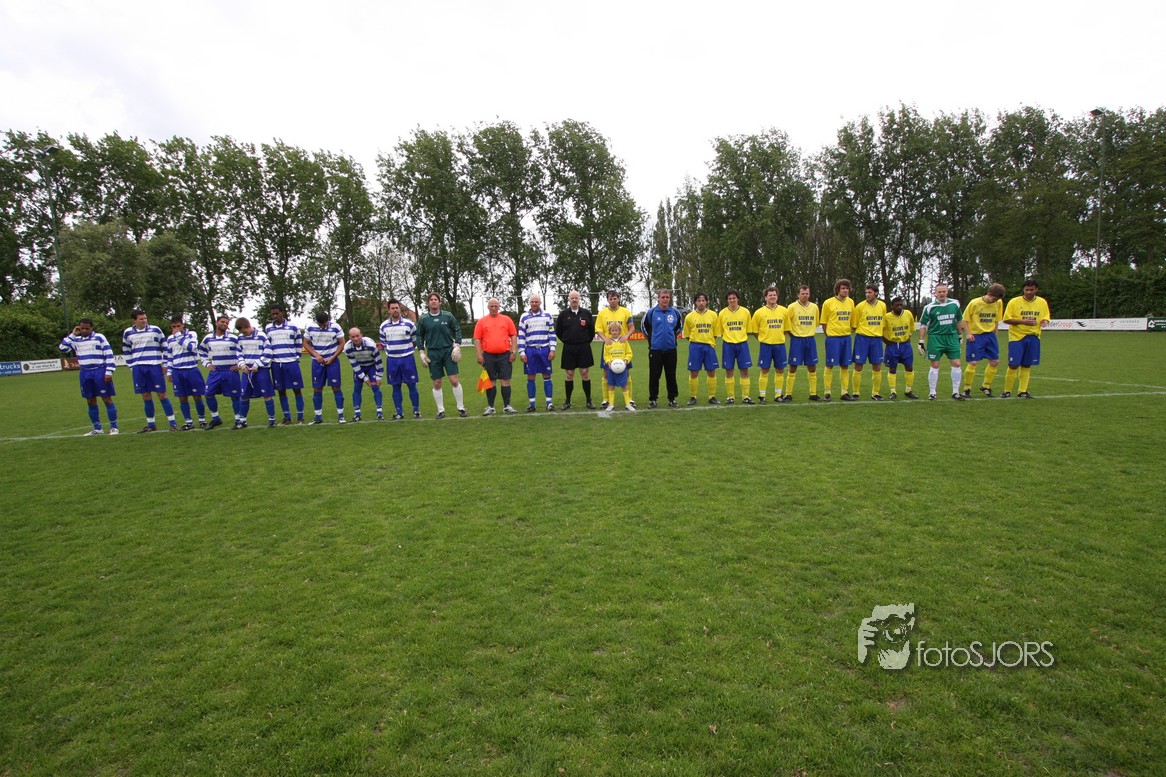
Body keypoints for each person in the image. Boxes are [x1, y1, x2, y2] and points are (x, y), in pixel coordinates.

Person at [58, 318, 120, 436]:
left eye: (87, 328)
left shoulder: (99, 337)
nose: (84, 330)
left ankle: (114, 427)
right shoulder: (76, 340)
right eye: (82, 328)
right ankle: (97, 429)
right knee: (90, 400)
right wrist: (72, 334)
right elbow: (62, 348)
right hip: (85, 373)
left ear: (91, 328)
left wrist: (109, 371)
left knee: (107, 399)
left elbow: (109, 354)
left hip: (99, 371)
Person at [122, 310, 177, 432]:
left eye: (145, 318)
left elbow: (165, 347)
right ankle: (151, 425)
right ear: (134, 320)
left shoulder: (155, 330)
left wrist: (164, 364)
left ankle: (173, 423)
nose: (144, 321)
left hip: (154, 366)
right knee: (145, 395)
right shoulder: (128, 332)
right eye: (141, 319)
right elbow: (126, 350)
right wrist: (132, 366)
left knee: (161, 394)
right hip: (138, 367)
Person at [416, 291, 467, 419]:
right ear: (428, 303)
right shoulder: (423, 319)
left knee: (454, 380)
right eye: (431, 299)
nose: (433, 301)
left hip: (448, 351)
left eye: (436, 299)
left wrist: (457, 345)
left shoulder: (448, 316)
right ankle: (440, 410)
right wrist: (421, 351)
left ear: (439, 302)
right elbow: (419, 335)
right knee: (437, 383)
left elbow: (457, 329)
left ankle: (461, 408)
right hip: (433, 353)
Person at [917, 283, 969, 401]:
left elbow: (959, 320)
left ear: (947, 292)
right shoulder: (929, 307)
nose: (941, 294)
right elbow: (923, 325)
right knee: (935, 365)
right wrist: (921, 341)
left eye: (944, 291)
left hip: (951, 337)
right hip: (935, 338)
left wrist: (960, 335)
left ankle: (956, 392)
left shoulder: (954, 304)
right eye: (939, 292)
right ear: (935, 293)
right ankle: (932, 392)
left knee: (957, 364)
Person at [1001, 279, 1051, 399]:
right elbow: (1006, 319)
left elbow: (1045, 317)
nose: (1028, 292)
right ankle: (1007, 390)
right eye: (1026, 290)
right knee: (1013, 364)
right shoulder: (1014, 302)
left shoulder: (1042, 302)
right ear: (1023, 289)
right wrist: (1023, 321)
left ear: (1036, 289)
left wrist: (1044, 321)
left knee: (1027, 364)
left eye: (1031, 290)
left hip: (1034, 336)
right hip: (1016, 337)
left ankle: (1022, 391)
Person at [474, 297, 519, 415]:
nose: (494, 308)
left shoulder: (506, 320)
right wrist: (479, 355)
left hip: (505, 355)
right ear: (488, 307)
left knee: (505, 380)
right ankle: (491, 407)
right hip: (488, 356)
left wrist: (513, 352)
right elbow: (477, 339)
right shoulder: (482, 321)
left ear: (499, 307)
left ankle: (507, 406)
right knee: (491, 381)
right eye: (491, 306)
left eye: (496, 306)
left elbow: (513, 335)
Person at [198, 314, 244, 428]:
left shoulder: (233, 338)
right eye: (222, 322)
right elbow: (201, 352)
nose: (224, 324)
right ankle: (216, 418)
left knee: (235, 396)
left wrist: (239, 364)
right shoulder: (208, 338)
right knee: (208, 394)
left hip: (230, 371)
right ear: (216, 323)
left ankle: (238, 420)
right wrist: (207, 364)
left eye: (227, 323)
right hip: (215, 371)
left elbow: (243, 351)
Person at [378, 300, 422, 420]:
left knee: (412, 385)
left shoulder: (409, 324)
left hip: (407, 359)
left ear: (400, 309)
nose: (395, 310)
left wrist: (406, 350)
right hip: (392, 360)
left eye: (397, 308)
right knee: (395, 386)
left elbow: (414, 340)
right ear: (389, 310)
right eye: (392, 308)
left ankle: (416, 410)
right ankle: (399, 412)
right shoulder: (383, 326)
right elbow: (383, 342)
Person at [961, 283, 1005, 397]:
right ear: (989, 294)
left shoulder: (998, 302)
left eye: (997, 299)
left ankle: (986, 386)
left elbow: (996, 319)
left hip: (990, 335)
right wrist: (968, 333)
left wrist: (995, 332)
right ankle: (967, 389)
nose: (995, 301)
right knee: (973, 362)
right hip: (976, 335)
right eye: (994, 299)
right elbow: (964, 319)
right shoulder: (975, 303)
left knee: (995, 361)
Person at [164, 315, 208, 429]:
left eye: (178, 326)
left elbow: (191, 348)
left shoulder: (191, 334)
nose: (176, 328)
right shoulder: (170, 338)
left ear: (183, 325)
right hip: (177, 371)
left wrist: (178, 336)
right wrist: (169, 372)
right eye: (174, 327)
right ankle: (188, 422)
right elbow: (169, 356)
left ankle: (202, 420)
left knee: (197, 396)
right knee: (182, 397)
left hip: (191, 369)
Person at [641, 288, 683, 407]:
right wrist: (652, 340)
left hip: (671, 349)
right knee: (654, 375)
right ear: (658, 298)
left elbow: (679, 327)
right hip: (655, 350)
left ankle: (672, 399)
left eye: (667, 297)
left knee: (671, 375)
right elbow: (644, 327)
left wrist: (672, 338)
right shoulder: (651, 312)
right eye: (662, 297)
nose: (665, 299)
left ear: (669, 299)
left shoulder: (675, 312)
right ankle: (653, 399)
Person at [555, 290, 596, 409]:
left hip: (584, 347)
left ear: (579, 299)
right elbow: (558, 331)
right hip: (569, 347)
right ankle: (567, 402)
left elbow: (592, 331)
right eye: (572, 298)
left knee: (585, 372)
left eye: (576, 298)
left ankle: (589, 401)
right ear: (568, 299)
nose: (574, 300)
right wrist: (567, 340)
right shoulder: (563, 314)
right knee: (569, 374)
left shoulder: (586, 313)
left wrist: (585, 341)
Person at [304, 310, 346, 424]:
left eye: (324, 324)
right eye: (320, 325)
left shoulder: (335, 327)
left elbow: (342, 343)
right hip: (317, 363)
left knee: (336, 387)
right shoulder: (311, 327)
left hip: (333, 362)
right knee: (317, 388)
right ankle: (318, 417)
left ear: (328, 320)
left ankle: (341, 416)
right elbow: (305, 343)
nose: (323, 327)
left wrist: (333, 357)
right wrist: (316, 355)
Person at [595, 290, 635, 409]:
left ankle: (630, 399)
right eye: (610, 299)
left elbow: (632, 327)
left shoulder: (625, 311)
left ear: (618, 299)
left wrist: (626, 336)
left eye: (615, 298)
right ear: (607, 300)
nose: (613, 301)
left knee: (626, 372)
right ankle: (606, 400)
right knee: (606, 372)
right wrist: (605, 339)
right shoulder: (602, 313)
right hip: (609, 346)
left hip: (622, 346)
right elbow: (598, 329)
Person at [265, 305, 305, 425]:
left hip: (291, 363)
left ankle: (300, 417)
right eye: (273, 314)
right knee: (281, 391)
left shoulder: (293, 327)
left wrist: (296, 358)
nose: (275, 316)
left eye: (277, 313)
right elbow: (268, 345)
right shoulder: (268, 328)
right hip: (277, 364)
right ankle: (287, 417)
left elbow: (299, 343)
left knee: (296, 390)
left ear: (282, 313)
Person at [236, 317, 277, 428]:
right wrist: (241, 364)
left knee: (266, 394)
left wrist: (257, 364)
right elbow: (239, 353)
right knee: (244, 395)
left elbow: (268, 351)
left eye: (245, 331)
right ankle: (242, 421)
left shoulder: (261, 336)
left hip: (261, 369)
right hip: (247, 370)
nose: (243, 334)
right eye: (241, 332)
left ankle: (272, 420)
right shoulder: (240, 338)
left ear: (249, 326)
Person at [518, 293, 556, 412]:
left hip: (544, 349)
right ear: (529, 303)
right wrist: (522, 352)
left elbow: (552, 333)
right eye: (532, 302)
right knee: (531, 376)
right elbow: (521, 335)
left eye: (536, 302)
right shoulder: (524, 317)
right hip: (530, 350)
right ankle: (532, 404)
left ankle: (549, 403)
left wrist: (552, 349)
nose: (534, 304)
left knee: (547, 375)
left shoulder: (547, 316)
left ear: (540, 303)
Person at [750, 286, 788, 404]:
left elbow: (786, 329)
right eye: (770, 295)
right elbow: (755, 331)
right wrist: (764, 339)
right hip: (765, 345)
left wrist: (778, 337)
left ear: (777, 296)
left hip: (780, 345)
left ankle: (778, 395)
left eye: (774, 295)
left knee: (780, 370)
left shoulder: (784, 311)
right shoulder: (759, 312)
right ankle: (762, 395)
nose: (772, 297)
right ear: (765, 297)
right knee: (764, 370)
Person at [783, 285, 821, 402]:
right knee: (793, 367)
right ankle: (788, 394)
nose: (805, 296)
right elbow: (787, 325)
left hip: (810, 340)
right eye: (803, 293)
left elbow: (816, 323)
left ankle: (813, 393)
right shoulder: (791, 307)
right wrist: (794, 336)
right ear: (798, 294)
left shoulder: (814, 307)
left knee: (812, 367)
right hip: (797, 340)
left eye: (807, 293)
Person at [850, 284, 887, 401]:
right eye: (866, 292)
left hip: (876, 339)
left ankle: (875, 393)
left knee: (877, 366)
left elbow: (883, 323)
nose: (867, 295)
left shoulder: (882, 305)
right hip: (862, 339)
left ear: (876, 293)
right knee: (858, 366)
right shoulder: (860, 306)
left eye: (870, 292)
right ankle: (855, 393)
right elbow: (854, 324)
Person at [820, 278, 855, 401]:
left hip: (846, 338)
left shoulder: (851, 302)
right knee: (830, 365)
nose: (845, 291)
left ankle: (844, 392)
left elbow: (852, 321)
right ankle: (827, 392)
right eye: (843, 288)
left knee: (845, 365)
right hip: (833, 339)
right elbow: (824, 322)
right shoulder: (828, 303)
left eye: (847, 288)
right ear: (838, 290)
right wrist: (829, 335)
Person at [684, 292, 720, 405]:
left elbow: (715, 333)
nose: (701, 303)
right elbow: (687, 335)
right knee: (694, 372)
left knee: (711, 371)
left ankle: (712, 396)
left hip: (709, 346)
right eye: (699, 300)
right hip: (695, 346)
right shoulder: (689, 317)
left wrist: (708, 341)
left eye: (703, 300)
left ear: (706, 302)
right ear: (695, 302)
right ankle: (693, 397)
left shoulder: (713, 315)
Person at [718, 289, 753, 404]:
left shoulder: (745, 312)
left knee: (744, 370)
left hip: (742, 344)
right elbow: (721, 331)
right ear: (727, 300)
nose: (732, 300)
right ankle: (730, 397)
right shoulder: (722, 313)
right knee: (729, 370)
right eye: (729, 299)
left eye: (734, 298)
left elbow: (748, 329)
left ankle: (745, 396)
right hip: (728, 345)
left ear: (738, 299)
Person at [343, 327, 384, 421]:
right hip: (359, 367)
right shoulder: (347, 348)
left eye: (357, 336)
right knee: (357, 388)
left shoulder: (371, 345)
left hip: (371, 366)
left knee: (375, 387)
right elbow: (354, 365)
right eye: (353, 337)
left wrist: (379, 377)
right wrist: (365, 378)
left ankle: (379, 413)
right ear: (349, 338)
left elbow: (378, 361)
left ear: (361, 335)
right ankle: (357, 414)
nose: (355, 339)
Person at [882, 298, 919, 400]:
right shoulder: (887, 317)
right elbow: (881, 330)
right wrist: (886, 341)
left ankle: (908, 390)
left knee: (909, 367)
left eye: (901, 305)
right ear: (892, 306)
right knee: (892, 368)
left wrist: (909, 336)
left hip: (905, 345)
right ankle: (893, 391)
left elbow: (911, 327)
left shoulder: (908, 314)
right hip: (892, 346)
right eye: (897, 305)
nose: (899, 307)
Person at [601, 320, 635, 412]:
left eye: (616, 330)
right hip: (611, 368)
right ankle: (611, 404)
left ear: (620, 331)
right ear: (610, 331)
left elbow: (629, 353)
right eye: (612, 330)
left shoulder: (624, 341)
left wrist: (626, 360)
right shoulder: (608, 342)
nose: (614, 332)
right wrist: (608, 362)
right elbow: (606, 355)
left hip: (622, 368)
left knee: (624, 385)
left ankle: (628, 404)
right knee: (611, 385)